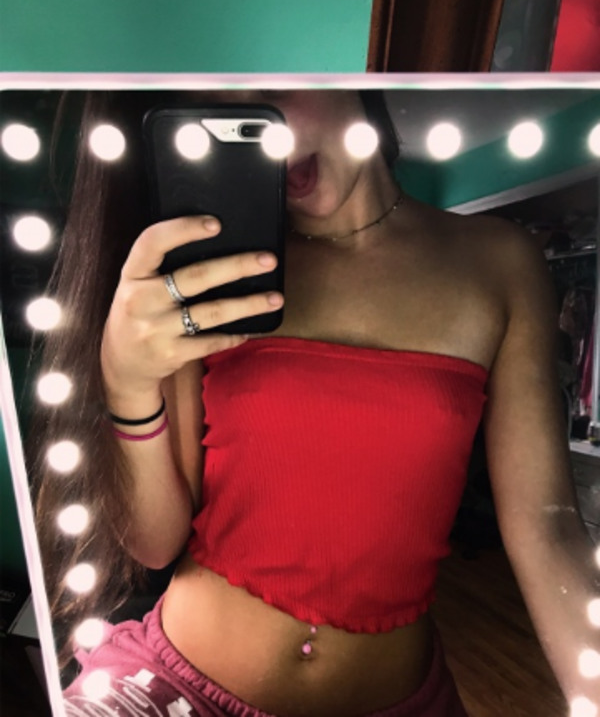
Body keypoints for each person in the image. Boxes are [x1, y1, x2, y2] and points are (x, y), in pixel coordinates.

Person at [30, 89, 598, 717]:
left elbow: (548, 525)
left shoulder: (500, 262)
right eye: (222, 112)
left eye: (272, 90)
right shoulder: (211, 269)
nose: (268, 135)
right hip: (173, 689)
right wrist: (127, 386)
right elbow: (155, 543)